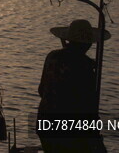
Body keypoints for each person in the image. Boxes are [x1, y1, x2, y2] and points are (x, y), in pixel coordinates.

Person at [36, 18, 109, 153]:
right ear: (88, 44)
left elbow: (41, 90)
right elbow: (87, 103)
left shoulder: (52, 56)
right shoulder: (86, 66)